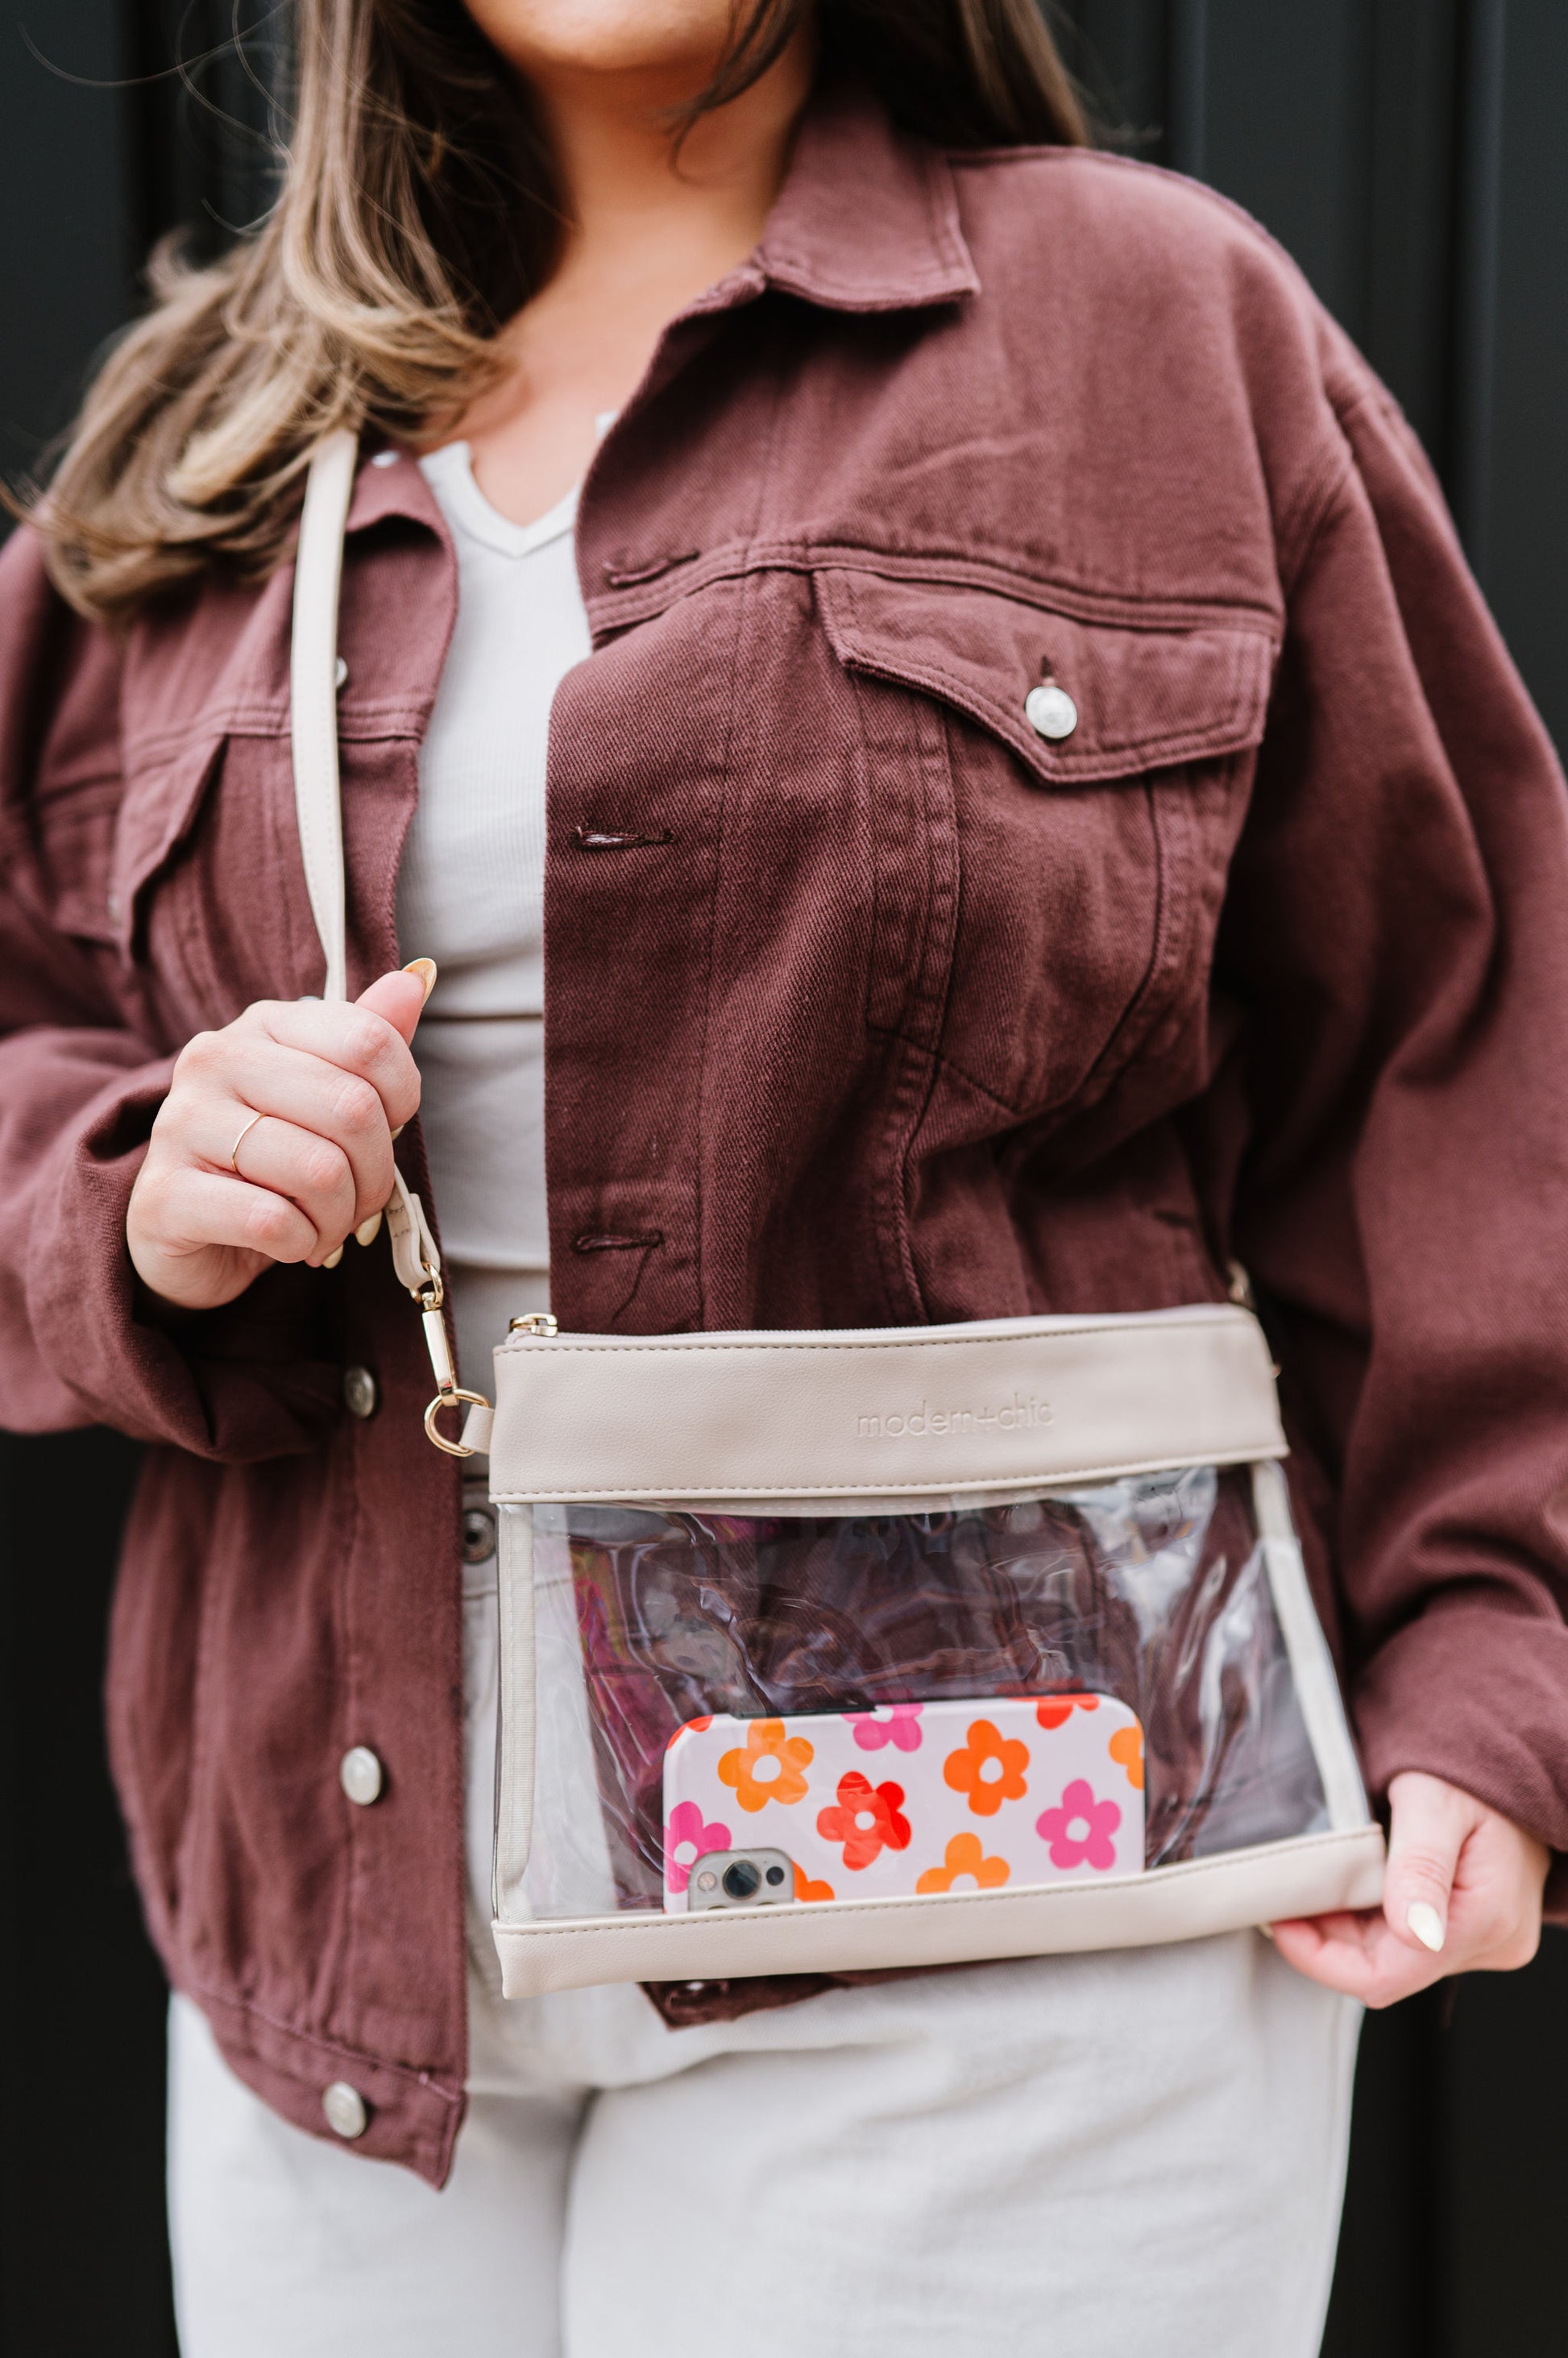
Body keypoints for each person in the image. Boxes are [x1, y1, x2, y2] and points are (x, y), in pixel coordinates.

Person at [2, 1, 1564, 2351]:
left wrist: (1485, 1653)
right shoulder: (216, 431)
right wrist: (134, 1191)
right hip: (344, 1923)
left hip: (990, 1861)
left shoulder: (1157, 327)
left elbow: (1452, 1044)